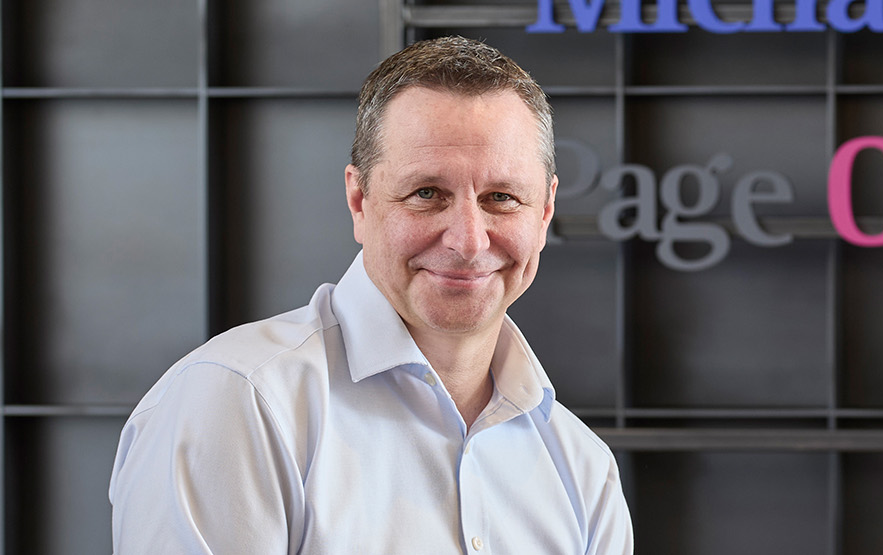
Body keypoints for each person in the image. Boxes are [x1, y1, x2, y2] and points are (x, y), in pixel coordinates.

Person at [109, 36, 633, 554]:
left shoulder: (583, 470)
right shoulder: (240, 402)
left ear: (544, 213)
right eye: (427, 193)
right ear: (359, 200)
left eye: (502, 197)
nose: (469, 240)